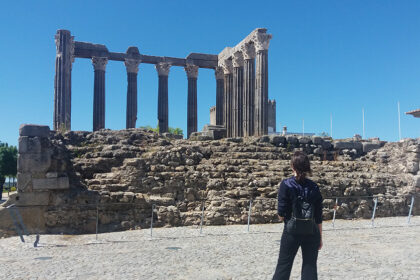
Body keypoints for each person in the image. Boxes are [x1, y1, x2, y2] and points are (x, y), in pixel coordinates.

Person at [273, 151, 323, 280]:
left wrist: (283, 218)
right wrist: (320, 237)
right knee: (310, 267)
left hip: (291, 232)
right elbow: (318, 215)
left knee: (283, 266)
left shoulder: (286, 184)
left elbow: (282, 213)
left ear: (293, 166)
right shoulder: (314, 187)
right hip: (311, 231)